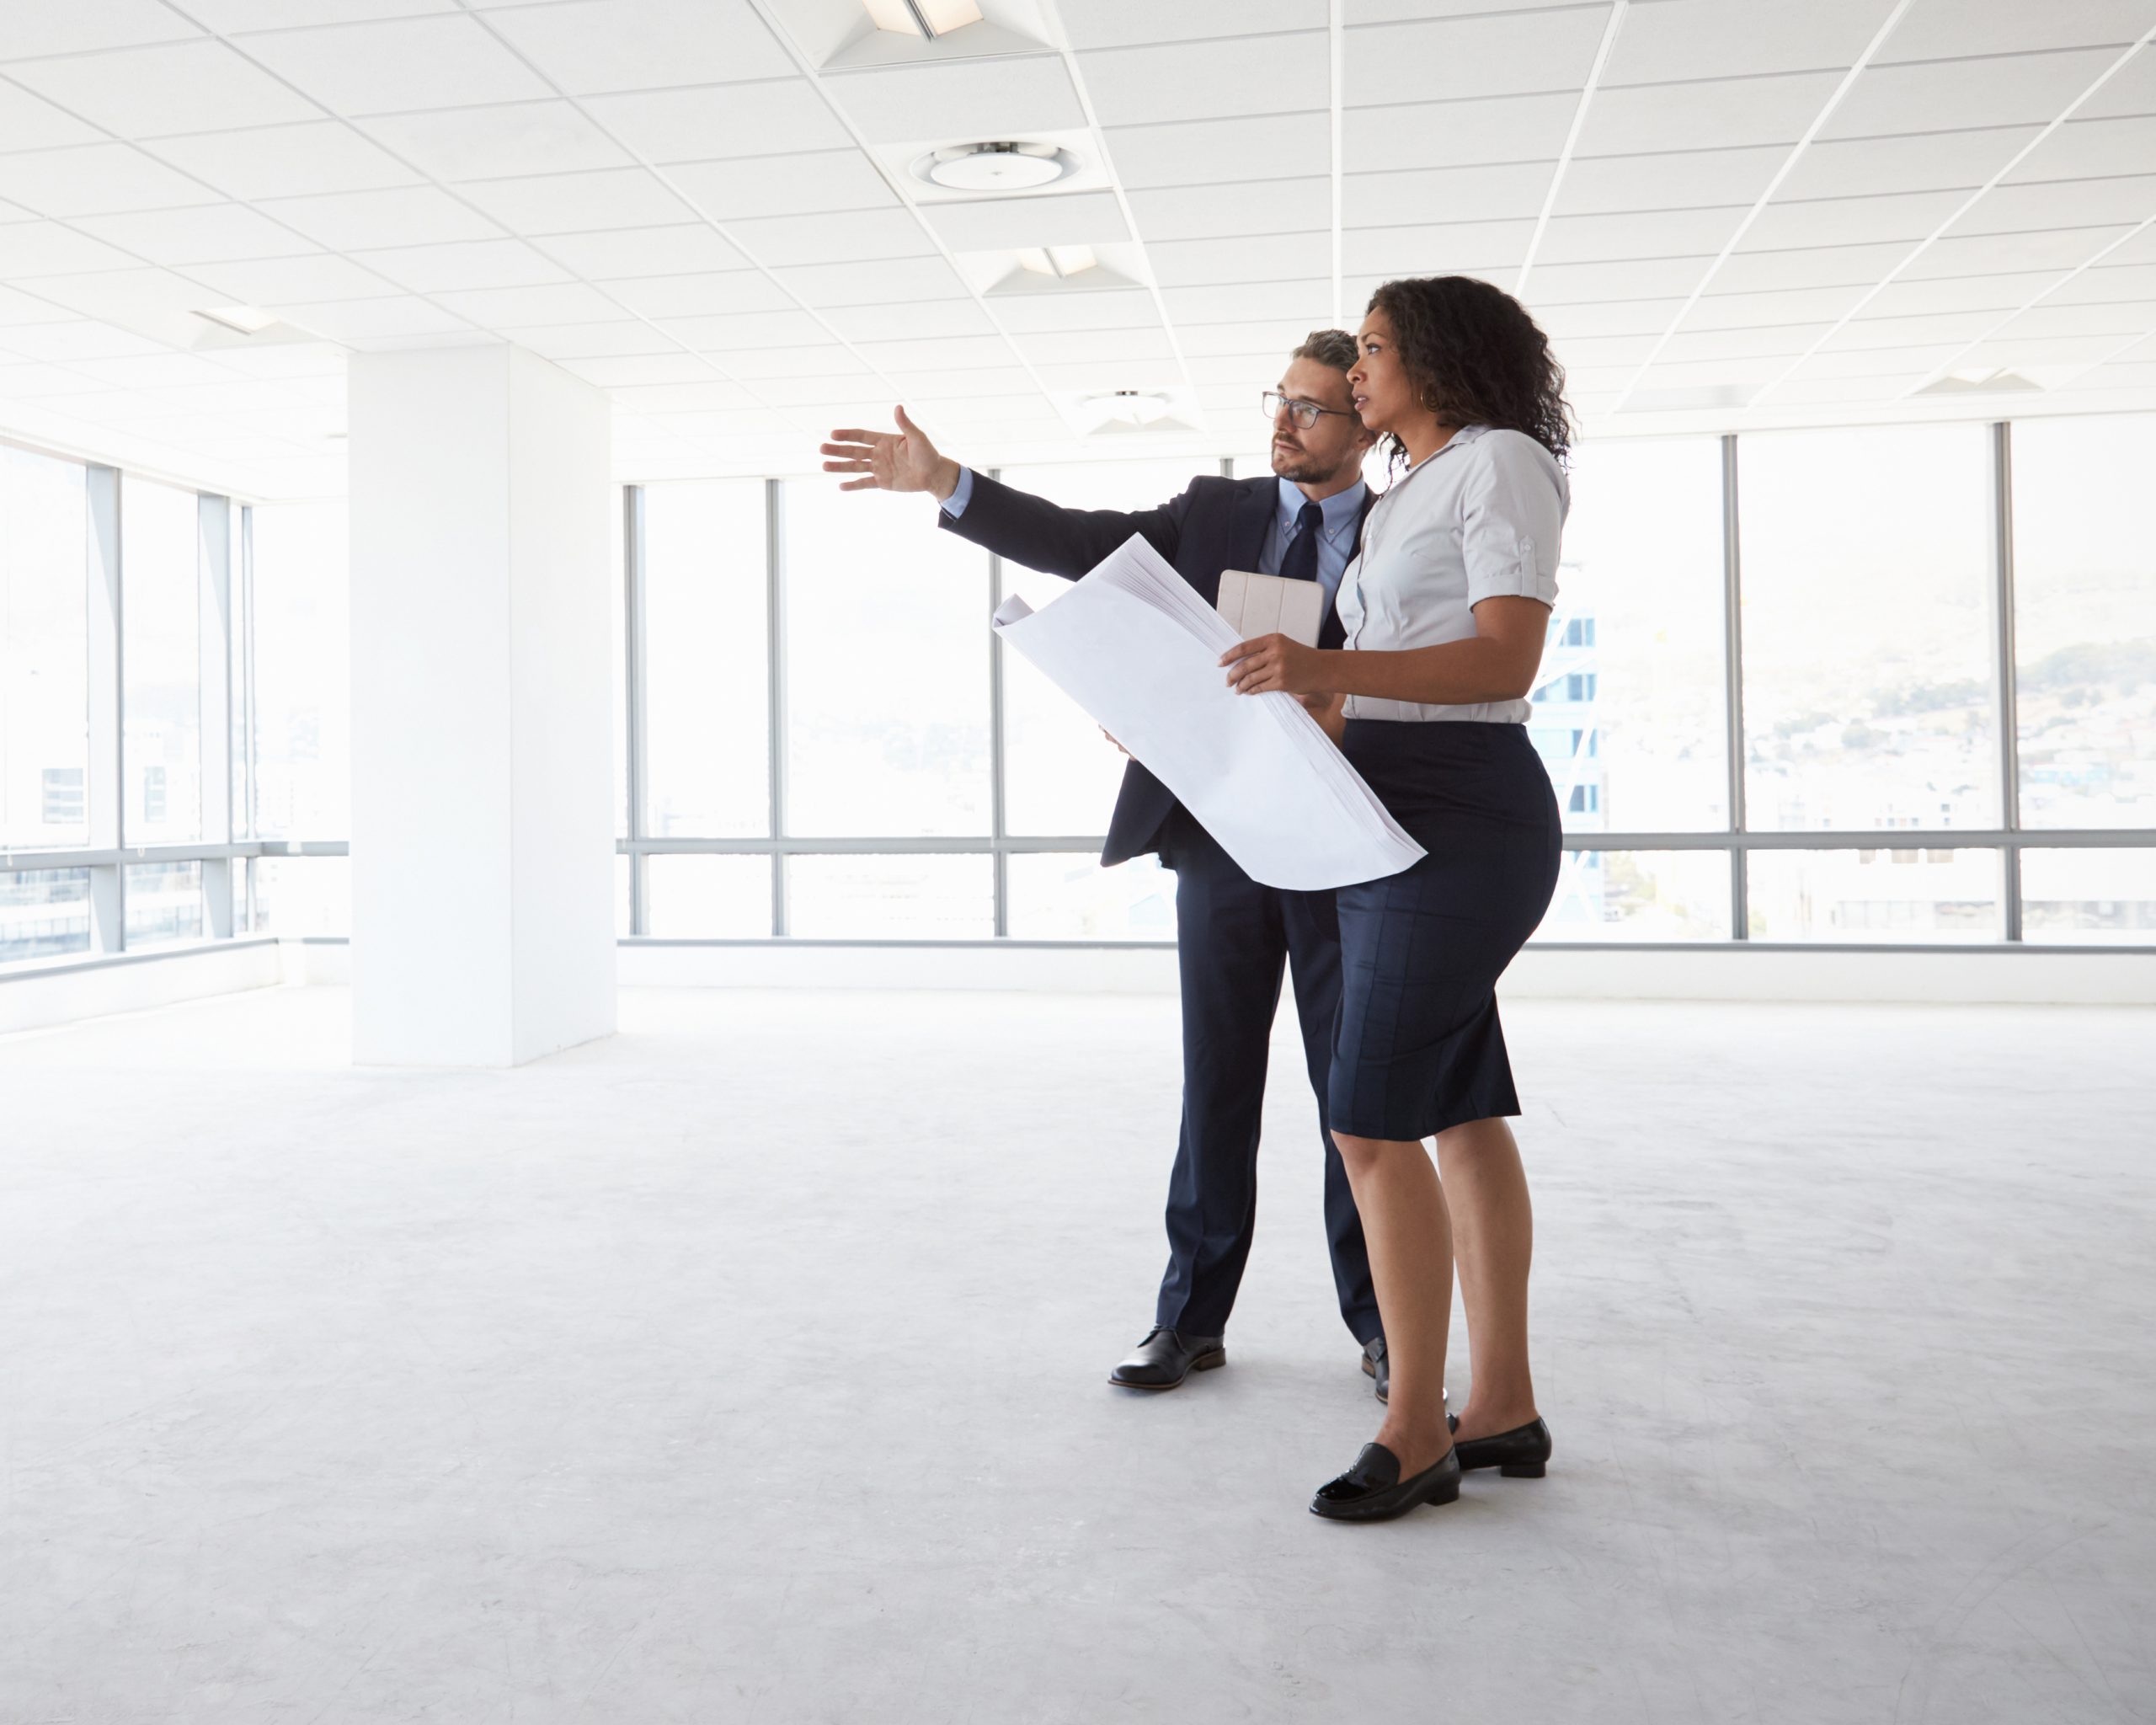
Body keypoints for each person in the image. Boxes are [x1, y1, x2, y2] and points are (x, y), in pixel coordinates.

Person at [820, 335, 1392, 1397]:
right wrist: (947, 483)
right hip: (1215, 835)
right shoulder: (1215, 510)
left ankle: (1382, 1327)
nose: (1285, 422)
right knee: (1215, 1081)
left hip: (1334, 844)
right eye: (1280, 399)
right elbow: (1076, 543)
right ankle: (1189, 1319)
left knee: (1350, 1097)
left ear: (1365, 428)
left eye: (1313, 410)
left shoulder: (1399, 534)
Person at [1221, 276, 1572, 1522]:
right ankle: (1505, 1407)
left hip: (1465, 812)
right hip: (1381, 808)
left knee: (1367, 1123)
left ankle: (1416, 1428)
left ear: (1439, 355)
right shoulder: (1403, 493)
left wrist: (1327, 665)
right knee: (1459, 1108)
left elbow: (1505, 654)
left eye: (1374, 348)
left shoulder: (1502, 465)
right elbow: (1374, 687)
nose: (1356, 370)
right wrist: (1280, 704)